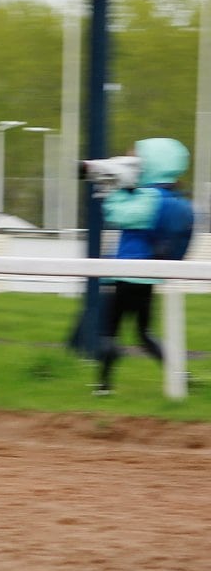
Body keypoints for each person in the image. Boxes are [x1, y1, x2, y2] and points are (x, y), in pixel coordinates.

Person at [91, 137, 194, 395]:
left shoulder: (148, 198)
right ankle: (180, 375)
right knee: (143, 334)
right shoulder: (172, 198)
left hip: (126, 275)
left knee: (108, 332)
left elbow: (117, 215)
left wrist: (112, 190)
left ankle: (103, 387)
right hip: (148, 276)